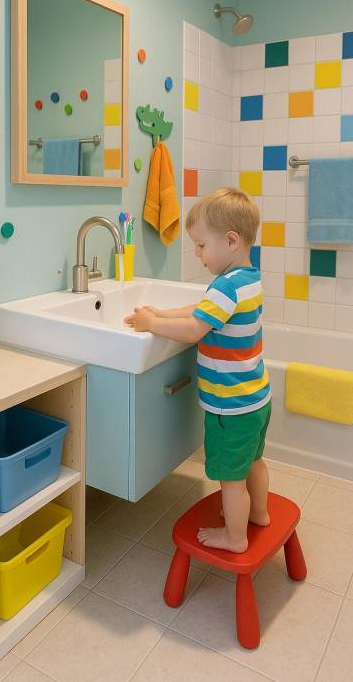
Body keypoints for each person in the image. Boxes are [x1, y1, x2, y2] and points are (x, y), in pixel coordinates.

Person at [124, 187, 271, 553]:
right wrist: (159, 313)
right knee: (254, 461)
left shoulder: (225, 286)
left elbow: (194, 328)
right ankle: (260, 515)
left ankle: (235, 537)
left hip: (229, 408)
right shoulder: (247, 279)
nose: (197, 253)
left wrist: (150, 326)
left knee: (230, 479)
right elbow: (201, 308)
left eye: (202, 245)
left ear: (231, 241)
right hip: (256, 398)